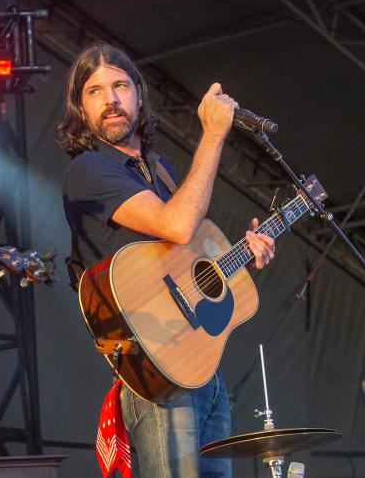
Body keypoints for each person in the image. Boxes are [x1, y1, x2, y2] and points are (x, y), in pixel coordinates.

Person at [57, 43, 275, 478]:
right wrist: (213, 134)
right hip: (154, 374)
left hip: (198, 365)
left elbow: (190, 255)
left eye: (120, 86)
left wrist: (243, 252)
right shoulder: (89, 171)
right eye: (95, 92)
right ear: (81, 108)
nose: (111, 100)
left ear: (139, 94)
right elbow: (175, 225)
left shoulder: (161, 168)